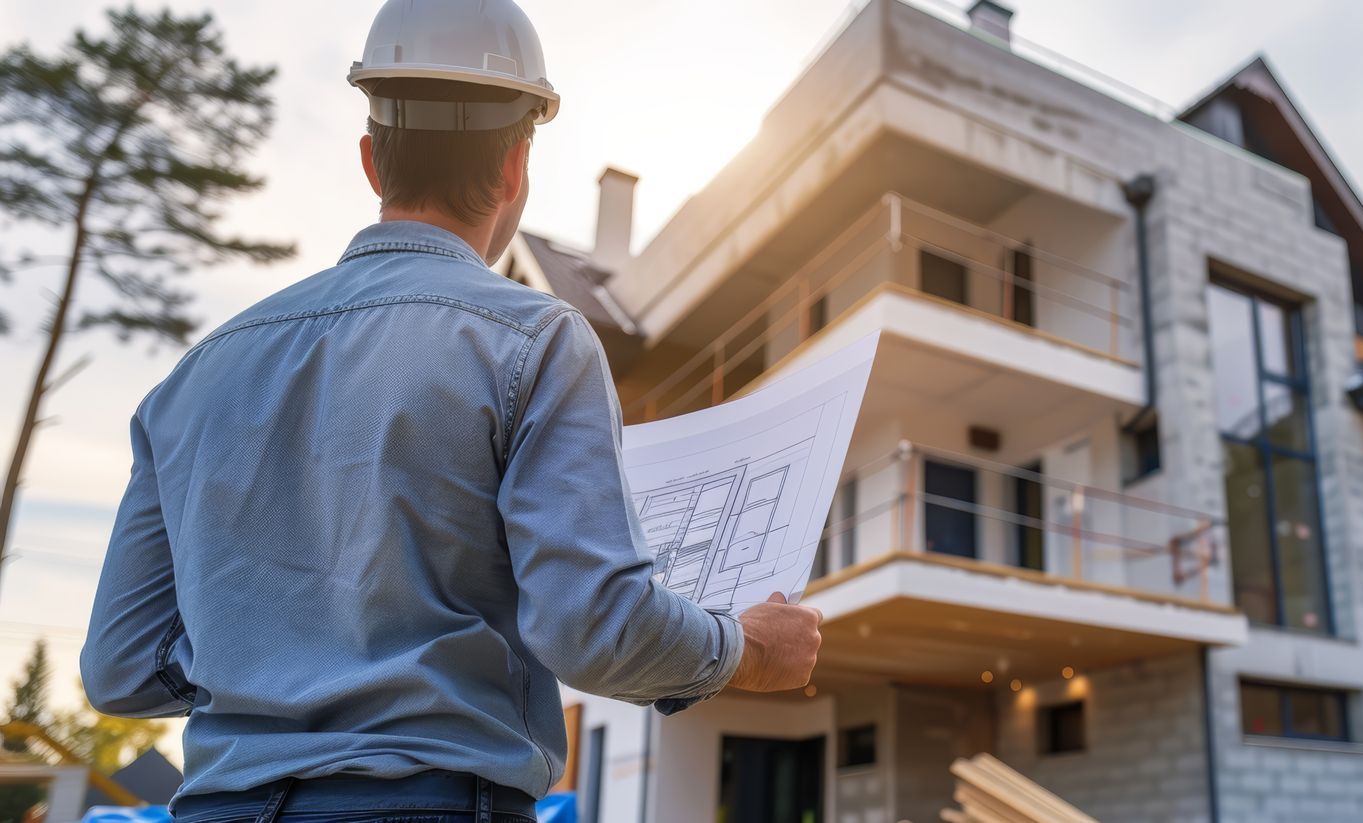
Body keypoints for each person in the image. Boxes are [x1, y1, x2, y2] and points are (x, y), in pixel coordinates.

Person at [78, 1, 822, 820]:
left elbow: (120, 665)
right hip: (433, 802)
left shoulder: (192, 379)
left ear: (372, 159)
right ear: (516, 167)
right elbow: (594, 629)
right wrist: (747, 647)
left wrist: (260, 651)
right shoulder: (537, 340)